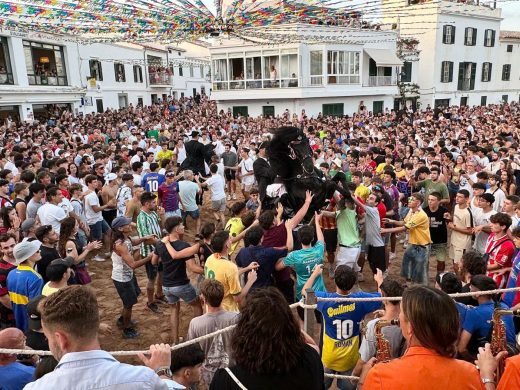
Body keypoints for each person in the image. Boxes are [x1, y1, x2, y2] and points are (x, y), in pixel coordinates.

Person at [24, 285, 172, 389]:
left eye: (48, 337)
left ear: (61, 339)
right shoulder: (143, 379)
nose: (47, 342)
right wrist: (163, 373)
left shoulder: (34, 388)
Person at [361, 286, 484, 390]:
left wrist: (362, 382)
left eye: (401, 313)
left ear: (410, 327)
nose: (398, 318)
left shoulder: (380, 375)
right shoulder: (471, 373)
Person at [210, 287, 324, 389]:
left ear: (244, 331)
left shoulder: (225, 380)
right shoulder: (310, 360)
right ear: (289, 327)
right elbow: (313, 347)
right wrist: (289, 325)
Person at [303, 265, 384, 390]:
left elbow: (305, 291)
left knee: (321, 386)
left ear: (335, 280)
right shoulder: (360, 300)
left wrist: (315, 274)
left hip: (328, 356)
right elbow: (382, 297)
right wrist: (379, 280)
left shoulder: (326, 300)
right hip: (350, 359)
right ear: (352, 284)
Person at [152, 216, 203, 343]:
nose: (184, 227)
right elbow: (192, 268)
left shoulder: (160, 243)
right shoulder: (183, 245)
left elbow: (153, 261)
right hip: (181, 284)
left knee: (174, 309)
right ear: (176, 229)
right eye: (181, 225)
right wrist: (208, 269)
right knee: (197, 304)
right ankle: (197, 337)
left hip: (166, 285)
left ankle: (175, 341)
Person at [188, 278, 239, 385]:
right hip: (232, 371)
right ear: (223, 296)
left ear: (204, 299)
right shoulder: (236, 318)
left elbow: (192, 349)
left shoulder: (195, 323)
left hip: (210, 374)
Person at [111, 216, 155, 338]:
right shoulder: (120, 245)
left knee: (132, 297)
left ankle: (122, 319)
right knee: (128, 304)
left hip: (127, 276)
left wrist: (144, 238)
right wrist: (149, 257)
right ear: (120, 228)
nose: (130, 224)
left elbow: (134, 242)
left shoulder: (125, 238)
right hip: (122, 278)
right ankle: (127, 329)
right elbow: (133, 264)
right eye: (127, 224)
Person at [457, 275, 516, 361]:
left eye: (471, 286)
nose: (469, 287)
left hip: (497, 359)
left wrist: (474, 361)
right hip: (513, 353)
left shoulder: (474, 314)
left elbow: (461, 349)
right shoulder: (504, 307)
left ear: (477, 293)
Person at [354, 279, 405, 375]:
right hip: (400, 372)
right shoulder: (407, 322)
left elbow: (364, 360)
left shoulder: (373, 325)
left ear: (384, 298)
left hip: (380, 374)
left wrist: (354, 376)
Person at [383, 193, 432, 285]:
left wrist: (386, 230)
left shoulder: (421, 215)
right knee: (407, 265)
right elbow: (404, 222)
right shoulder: (411, 211)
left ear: (418, 203)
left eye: (412, 199)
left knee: (420, 270)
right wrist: (392, 221)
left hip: (422, 246)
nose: (409, 201)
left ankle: (419, 288)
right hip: (412, 242)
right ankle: (408, 285)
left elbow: (404, 227)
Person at [204, 230, 258, 312]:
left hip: (211, 308)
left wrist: (247, 268)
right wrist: (250, 281)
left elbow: (226, 276)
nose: (231, 239)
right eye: (229, 239)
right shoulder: (230, 267)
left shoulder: (211, 258)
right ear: (227, 245)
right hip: (226, 311)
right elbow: (237, 298)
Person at [137, 191, 165, 313]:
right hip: (150, 252)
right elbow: (146, 240)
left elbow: (161, 227)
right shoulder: (141, 218)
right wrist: (162, 243)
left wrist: (162, 215)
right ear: (147, 203)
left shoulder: (153, 213)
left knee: (161, 273)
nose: (156, 204)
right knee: (151, 278)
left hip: (158, 250)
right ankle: (150, 302)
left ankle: (158, 295)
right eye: (153, 202)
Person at [7, 239, 43, 332]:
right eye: (37, 251)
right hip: (30, 324)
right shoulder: (35, 278)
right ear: (29, 256)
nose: (40, 252)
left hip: (17, 320)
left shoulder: (11, 273)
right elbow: (35, 307)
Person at [84, 174, 114, 262]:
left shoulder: (92, 193)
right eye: (94, 182)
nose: (96, 183)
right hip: (94, 219)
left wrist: (97, 195)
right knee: (97, 238)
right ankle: (95, 255)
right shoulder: (90, 195)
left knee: (108, 232)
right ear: (89, 184)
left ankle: (107, 251)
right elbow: (96, 209)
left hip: (98, 218)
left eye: (96, 181)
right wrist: (107, 205)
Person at [485, 213, 515, 288]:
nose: (491, 225)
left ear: (503, 227)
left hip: (496, 278)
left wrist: (477, 267)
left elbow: (497, 265)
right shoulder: (492, 235)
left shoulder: (507, 245)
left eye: (494, 223)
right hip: (485, 273)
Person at [447, 189, 474, 274]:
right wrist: (449, 218)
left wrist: (454, 228)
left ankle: (461, 283)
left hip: (462, 243)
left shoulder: (468, 213)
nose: (457, 198)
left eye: (460, 197)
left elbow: (470, 231)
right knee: (454, 263)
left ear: (466, 199)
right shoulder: (456, 206)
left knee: (459, 266)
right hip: (454, 240)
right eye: (457, 196)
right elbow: (456, 221)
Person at [423, 192, 449, 272]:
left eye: (432, 200)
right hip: (427, 240)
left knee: (441, 261)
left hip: (441, 241)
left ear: (438, 201)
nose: (430, 201)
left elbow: (450, 223)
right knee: (424, 261)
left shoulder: (444, 211)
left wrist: (450, 218)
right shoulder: (424, 211)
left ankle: (439, 278)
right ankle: (425, 280)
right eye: (429, 199)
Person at [0, 233, 16, 329]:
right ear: (1, 249)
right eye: (6, 248)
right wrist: (21, 312)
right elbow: (4, 298)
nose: (10, 250)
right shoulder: (1, 269)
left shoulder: (24, 260)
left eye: (12, 246)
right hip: (10, 317)